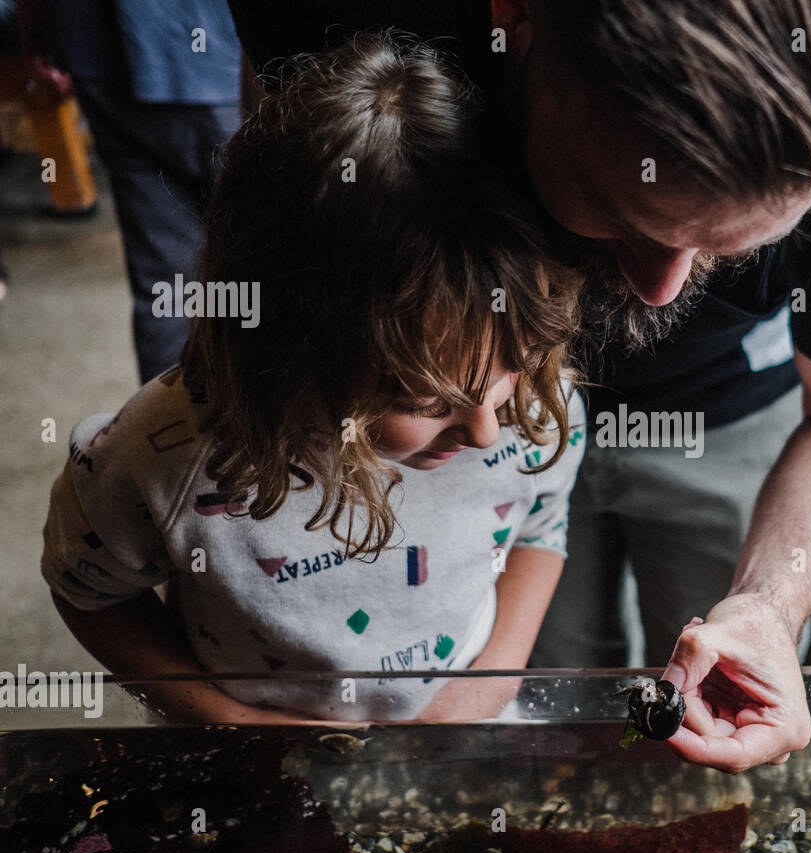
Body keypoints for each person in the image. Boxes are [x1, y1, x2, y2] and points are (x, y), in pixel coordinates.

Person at [229, 0, 811, 772]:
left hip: (728, 414)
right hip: (453, 418)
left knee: (713, 704)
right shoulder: (362, 23)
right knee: (539, 717)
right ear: (518, 18)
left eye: (729, 243)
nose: (661, 290)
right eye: (626, 216)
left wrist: (769, 605)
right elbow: (283, 209)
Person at [40, 33, 586, 723]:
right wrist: (231, 723)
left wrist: (490, 683)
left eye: (516, 364)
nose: (485, 432)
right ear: (296, 350)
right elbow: (88, 588)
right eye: (424, 399)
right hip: (252, 769)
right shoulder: (163, 453)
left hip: (461, 742)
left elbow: (543, 523)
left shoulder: (535, 400)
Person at [31, 0, 243, 384]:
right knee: (275, 271)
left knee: (167, 286)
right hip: (209, 48)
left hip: (97, 49)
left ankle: (171, 436)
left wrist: (43, 39)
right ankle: (278, 437)